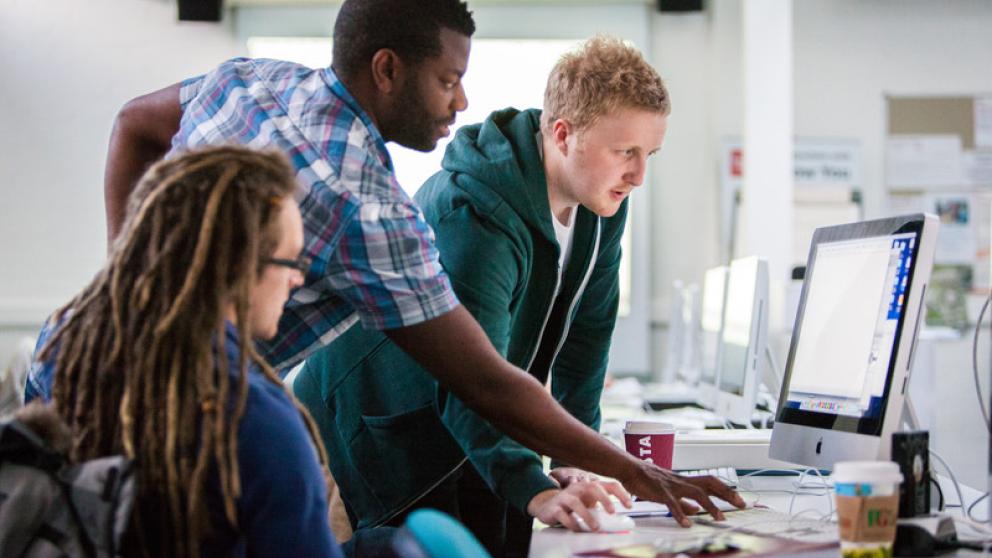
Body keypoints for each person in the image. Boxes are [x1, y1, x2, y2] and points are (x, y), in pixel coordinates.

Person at [89, 0, 742, 523]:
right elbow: (483, 382)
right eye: (448, 80)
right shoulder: (371, 210)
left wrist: (123, 286)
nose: (460, 104)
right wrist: (634, 472)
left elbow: (132, 124)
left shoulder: (251, 80)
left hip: (91, 354)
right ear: (386, 69)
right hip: (164, 413)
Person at [296, 36, 671, 556]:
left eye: (649, 153)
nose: (639, 175)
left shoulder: (601, 206)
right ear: (562, 135)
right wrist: (534, 487)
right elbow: (468, 378)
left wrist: (576, 457)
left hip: (477, 419)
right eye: (625, 152)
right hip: (376, 423)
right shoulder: (475, 214)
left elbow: (584, 346)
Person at [27, 146, 341, 556]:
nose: (298, 280)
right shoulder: (260, 421)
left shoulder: (67, 346)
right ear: (241, 264)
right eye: (290, 262)